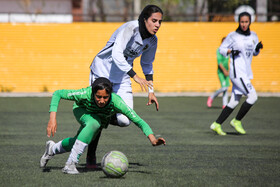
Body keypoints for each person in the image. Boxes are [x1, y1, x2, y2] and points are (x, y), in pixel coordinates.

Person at [87, 5, 163, 168]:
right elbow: (116, 54)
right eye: (154, 20)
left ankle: (102, 116)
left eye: (160, 22)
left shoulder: (152, 40)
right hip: (102, 72)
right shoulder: (131, 28)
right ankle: (90, 155)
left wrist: (151, 91)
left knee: (125, 120)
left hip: (121, 77)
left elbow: (147, 64)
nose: (157, 25)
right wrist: (135, 76)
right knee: (97, 116)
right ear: (144, 19)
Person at [40, 77, 166, 174]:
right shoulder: (84, 93)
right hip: (81, 110)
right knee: (94, 123)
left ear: (110, 95)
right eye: (98, 97)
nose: (101, 100)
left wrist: (153, 139)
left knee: (77, 142)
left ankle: (52, 148)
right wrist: (52, 119)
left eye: (105, 97)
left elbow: (139, 120)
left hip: (97, 119)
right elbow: (58, 94)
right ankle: (70, 165)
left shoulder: (117, 102)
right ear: (93, 93)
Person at [210, 12, 263, 135]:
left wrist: (257, 48)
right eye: (242, 22)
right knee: (253, 96)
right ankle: (237, 120)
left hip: (246, 72)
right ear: (239, 22)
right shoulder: (233, 36)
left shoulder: (253, 35)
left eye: (246, 22)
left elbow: (254, 54)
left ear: (250, 22)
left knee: (234, 101)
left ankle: (216, 124)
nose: (244, 24)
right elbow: (222, 49)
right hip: (237, 73)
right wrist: (230, 50)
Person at [207, 37, 230, 109]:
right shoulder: (219, 50)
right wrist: (224, 71)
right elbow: (219, 63)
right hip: (221, 72)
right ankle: (212, 97)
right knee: (224, 88)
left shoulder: (229, 51)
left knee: (226, 88)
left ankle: (225, 105)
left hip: (227, 71)